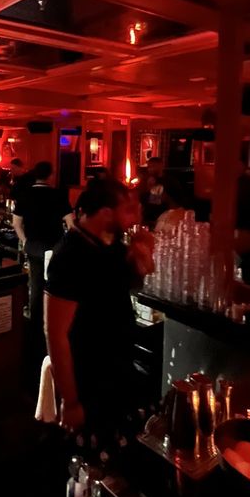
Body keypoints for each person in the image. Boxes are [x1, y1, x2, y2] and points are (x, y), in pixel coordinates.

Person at [45, 179, 154, 444]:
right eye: (128, 210)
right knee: (90, 450)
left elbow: (134, 281)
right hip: (88, 376)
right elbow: (55, 333)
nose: (135, 218)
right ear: (106, 213)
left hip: (117, 370)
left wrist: (142, 253)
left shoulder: (112, 242)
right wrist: (71, 401)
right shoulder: (70, 255)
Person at [12, 161, 74, 365]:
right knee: (55, 286)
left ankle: (35, 330)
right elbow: (71, 224)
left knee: (36, 286)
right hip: (55, 248)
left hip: (34, 247)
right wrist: (65, 245)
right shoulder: (58, 195)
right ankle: (54, 328)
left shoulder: (25, 194)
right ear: (50, 176)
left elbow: (16, 223)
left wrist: (25, 241)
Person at [139, 157, 182, 228]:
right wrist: (147, 188)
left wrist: (166, 198)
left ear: (161, 166)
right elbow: (140, 199)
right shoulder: (145, 181)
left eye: (153, 166)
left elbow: (178, 204)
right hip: (147, 219)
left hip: (165, 219)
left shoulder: (171, 181)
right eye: (149, 167)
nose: (150, 169)